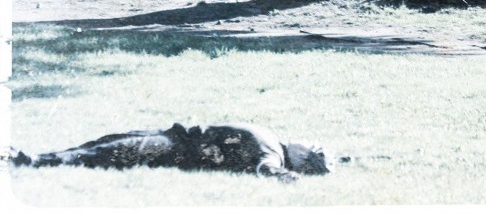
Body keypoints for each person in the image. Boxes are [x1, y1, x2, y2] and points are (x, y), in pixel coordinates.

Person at [7, 122, 332, 183]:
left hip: (173, 151)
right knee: (104, 143)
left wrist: (284, 176)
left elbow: (266, 169)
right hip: (172, 136)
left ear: (302, 160)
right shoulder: (275, 142)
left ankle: (32, 160)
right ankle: (41, 157)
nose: (310, 140)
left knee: (104, 153)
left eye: (313, 149)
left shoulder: (272, 152)